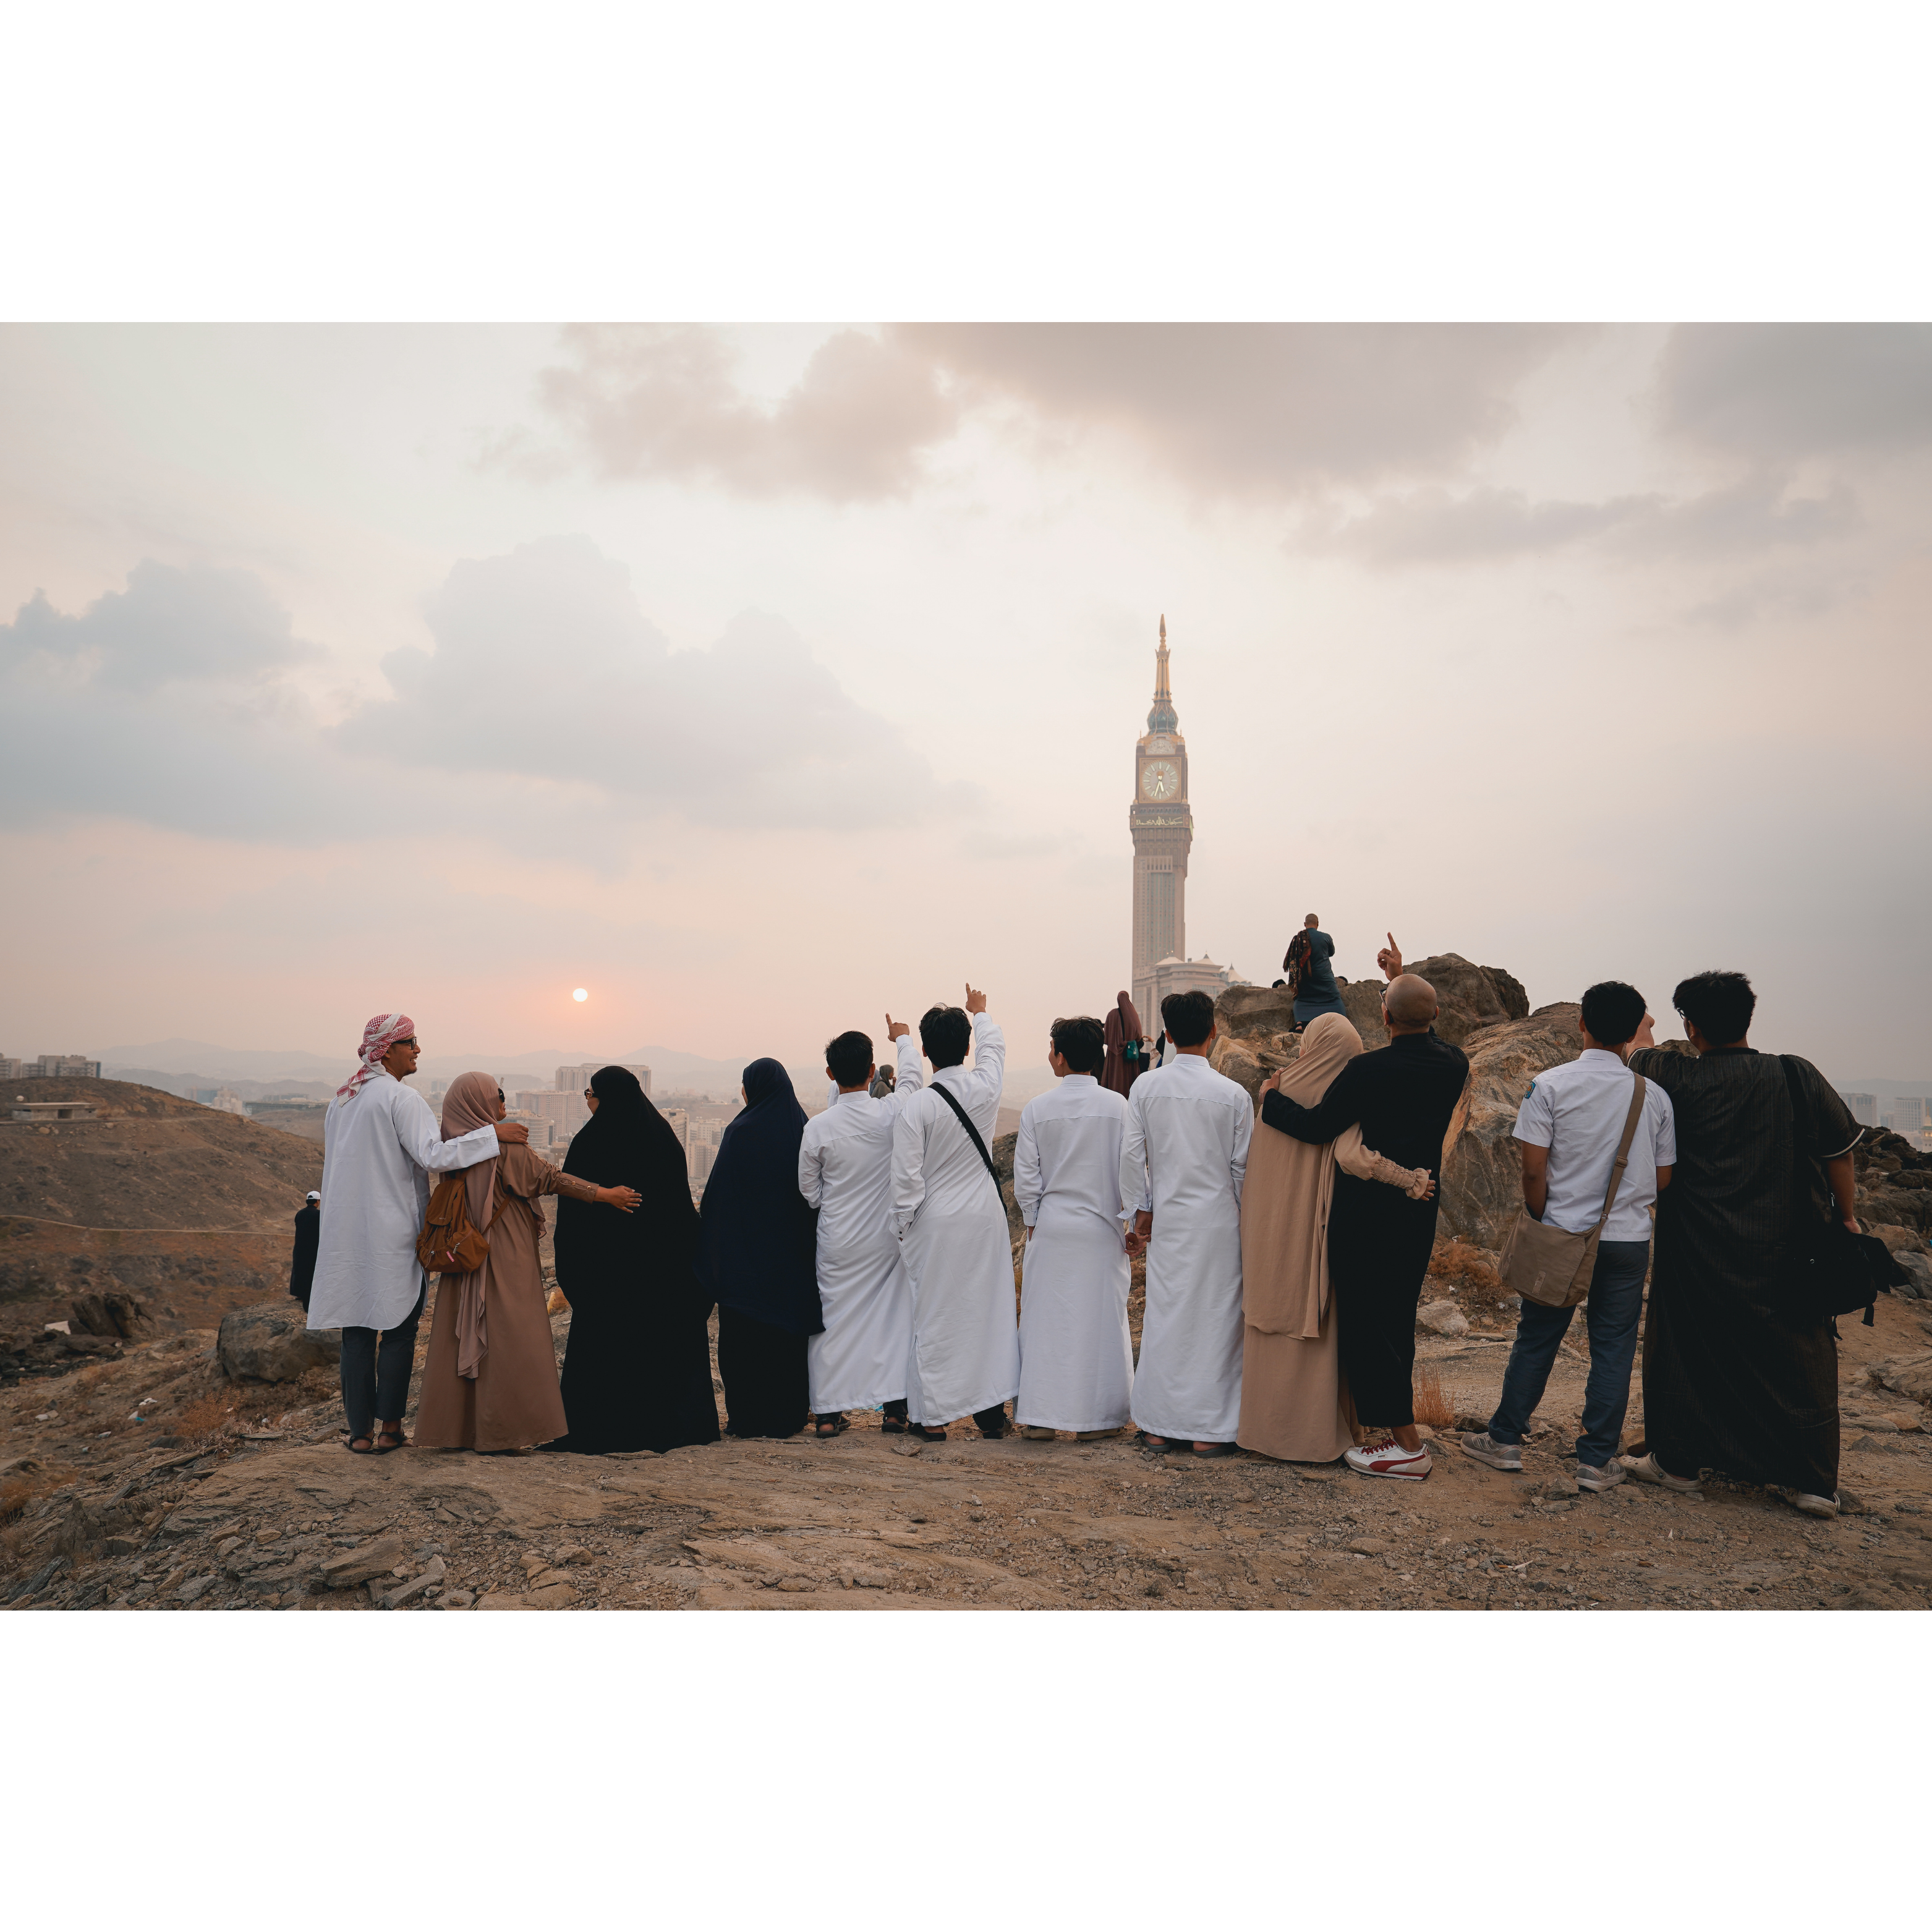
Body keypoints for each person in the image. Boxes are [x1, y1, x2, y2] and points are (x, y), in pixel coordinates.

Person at [1623, 970, 1860, 1517]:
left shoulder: (1673, 1074)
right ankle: (1812, 1482)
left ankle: (1678, 1464)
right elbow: (1839, 1155)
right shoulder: (1794, 1075)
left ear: (1691, 1025)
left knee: (1684, 1350)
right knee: (1800, 1358)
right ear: (1747, 1017)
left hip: (1696, 1249)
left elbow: (1636, 1051)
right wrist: (1846, 1218)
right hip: (1787, 1247)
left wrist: (1644, 1022)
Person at [1259, 939, 1468, 1480]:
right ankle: (1395, 1431)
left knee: (1366, 1324)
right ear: (1437, 1015)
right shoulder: (1453, 1063)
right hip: (1418, 1210)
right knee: (1394, 1317)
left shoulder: (1367, 1071)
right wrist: (1396, 978)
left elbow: (1315, 1127)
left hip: (1367, 1215)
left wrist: (1271, 1098)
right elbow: (1426, 1037)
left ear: (1383, 1016)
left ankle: (1405, 1445)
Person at [1462, 983, 1676, 1491]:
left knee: (1537, 1337)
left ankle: (1506, 1441)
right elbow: (1664, 1179)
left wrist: (1544, 1215)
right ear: (1633, 1033)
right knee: (1613, 1348)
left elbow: (1533, 1172)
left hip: (1560, 1233)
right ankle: (1597, 1460)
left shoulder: (1549, 1086)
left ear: (1580, 1022)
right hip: (1625, 1240)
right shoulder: (1654, 1096)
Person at [309, 1014, 526, 1456]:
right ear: (387, 1049)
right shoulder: (399, 1098)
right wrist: (493, 1135)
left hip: (346, 1234)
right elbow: (435, 1155)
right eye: (410, 1042)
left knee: (356, 1333)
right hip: (391, 1232)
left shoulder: (343, 1099)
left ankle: (359, 1434)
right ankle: (389, 1429)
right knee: (398, 1329)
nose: (417, 1050)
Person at [1238, 1013, 1436, 1463]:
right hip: (1314, 1232)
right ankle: (1315, 1437)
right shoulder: (1346, 1093)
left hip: (1267, 1235)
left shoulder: (1277, 1089)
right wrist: (1411, 1180)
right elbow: (1352, 1155)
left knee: (1271, 1323)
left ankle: (1264, 1433)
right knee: (1318, 1324)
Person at [415, 1075, 640, 1453]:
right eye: (496, 1097)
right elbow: (548, 1179)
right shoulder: (502, 1148)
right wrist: (604, 1194)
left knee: (462, 1332)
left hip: (467, 1255)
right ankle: (504, 1432)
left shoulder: (452, 1147)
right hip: (505, 1251)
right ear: (480, 1105)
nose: (502, 1104)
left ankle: (458, 1430)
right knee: (512, 1338)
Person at [549, 1066, 719, 1454]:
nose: (588, 1100)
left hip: (608, 1281)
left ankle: (608, 1427)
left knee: (608, 1354)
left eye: (590, 1093)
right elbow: (680, 1218)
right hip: (662, 1280)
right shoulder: (663, 1138)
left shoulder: (589, 1143)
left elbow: (573, 1220)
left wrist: (580, 1272)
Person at [1121, 987, 1253, 1457]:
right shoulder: (1233, 1095)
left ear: (1169, 1035)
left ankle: (1157, 1427)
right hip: (1219, 1223)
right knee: (1216, 1322)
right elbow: (1241, 1170)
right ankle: (1208, 1431)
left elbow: (1132, 1159)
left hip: (1170, 1221)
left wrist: (1140, 1212)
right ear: (1214, 1032)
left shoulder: (1145, 1088)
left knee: (1166, 1318)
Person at [890, 984, 1018, 1440]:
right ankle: (991, 1414)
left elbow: (905, 1180)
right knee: (986, 1311)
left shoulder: (917, 1104)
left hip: (935, 1221)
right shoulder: (985, 1087)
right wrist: (980, 1012)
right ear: (967, 1047)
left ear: (925, 1052)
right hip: (984, 1218)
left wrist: (904, 1229)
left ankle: (933, 1416)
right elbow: (995, 1048)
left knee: (936, 1316)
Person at [800, 1019, 925, 1438]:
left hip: (836, 1238)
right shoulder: (890, 1111)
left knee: (832, 1322)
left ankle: (828, 1413)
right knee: (894, 1318)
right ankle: (894, 1410)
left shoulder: (817, 1127)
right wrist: (904, 1038)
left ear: (830, 1074)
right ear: (873, 1071)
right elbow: (911, 1079)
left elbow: (809, 1191)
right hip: (885, 1237)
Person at [1014, 1015, 1136, 1442]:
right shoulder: (1118, 1107)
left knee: (1046, 1323)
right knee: (1102, 1323)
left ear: (1060, 1057)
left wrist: (1032, 1222)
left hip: (1051, 1230)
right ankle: (1099, 1419)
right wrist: (1132, 1222)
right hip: (1103, 1231)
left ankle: (1041, 1417)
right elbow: (1133, 1175)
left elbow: (1027, 1180)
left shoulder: (1037, 1109)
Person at [700, 1059, 820, 1439]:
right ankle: (788, 1415)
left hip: (745, 1265)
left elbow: (717, 1199)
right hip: (791, 1261)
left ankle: (747, 1418)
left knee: (746, 1344)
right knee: (786, 1342)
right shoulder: (802, 1127)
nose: (741, 1092)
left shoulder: (740, 1131)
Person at [1284, 913, 1347, 1028]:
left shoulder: (1298, 939)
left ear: (1305, 924)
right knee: (1335, 998)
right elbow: (1331, 953)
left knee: (1300, 999)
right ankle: (1342, 1020)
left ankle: (1299, 1023)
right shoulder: (1326, 937)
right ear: (1318, 924)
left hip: (1305, 981)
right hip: (1324, 979)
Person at [1100, 991, 1150, 1096]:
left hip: (1115, 1057)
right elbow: (1138, 1036)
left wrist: (1116, 1043)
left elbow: (1107, 1037)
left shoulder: (1112, 1014)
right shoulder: (1133, 1015)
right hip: (1130, 1054)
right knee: (1130, 1082)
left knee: (1115, 1080)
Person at [288, 1191, 320, 1310]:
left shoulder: (300, 1213)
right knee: (310, 1272)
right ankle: (309, 1295)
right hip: (313, 1248)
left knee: (299, 1269)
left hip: (299, 1247)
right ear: (318, 1201)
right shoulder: (318, 1215)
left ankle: (299, 1293)